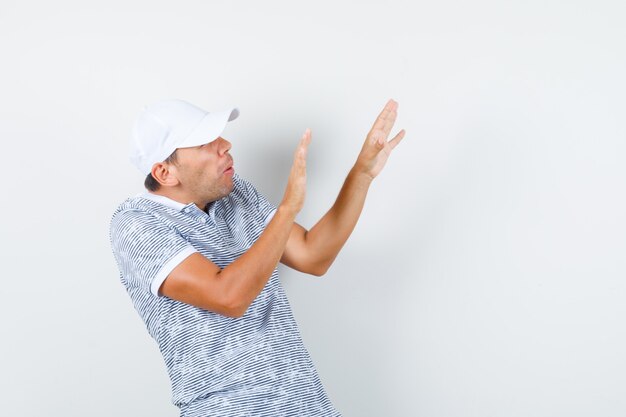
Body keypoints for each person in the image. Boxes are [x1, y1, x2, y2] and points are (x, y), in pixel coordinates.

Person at [109, 98, 405, 417]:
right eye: (205, 142)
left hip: (306, 405)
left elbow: (313, 256)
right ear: (165, 172)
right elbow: (229, 297)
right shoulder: (137, 223)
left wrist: (361, 174)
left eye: (219, 135)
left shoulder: (235, 195)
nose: (225, 144)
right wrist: (288, 207)